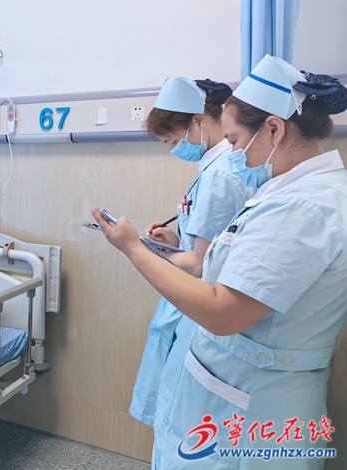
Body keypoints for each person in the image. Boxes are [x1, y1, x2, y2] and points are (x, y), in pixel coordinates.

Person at [93, 55, 347, 469]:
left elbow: (223, 311)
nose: (232, 153)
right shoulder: (292, 195)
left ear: (274, 129)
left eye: (234, 140)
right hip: (240, 388)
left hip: (253, 401)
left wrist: (133, 248)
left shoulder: (301, 207)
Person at [130, 76, 257, 429]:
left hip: (203, 304)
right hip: (200, 300)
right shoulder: (216, 168)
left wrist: (137, 249)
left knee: (180, 417)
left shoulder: (221, 174)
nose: (175, 149)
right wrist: (174, 241)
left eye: (174, 140)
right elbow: (207, 243)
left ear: (198, 121)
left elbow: (201, 263)